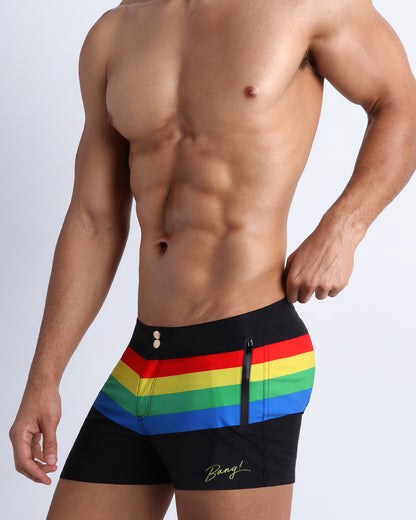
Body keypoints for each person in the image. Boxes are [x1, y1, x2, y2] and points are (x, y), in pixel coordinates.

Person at [9, 0, 416, 518]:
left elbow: (401, 102)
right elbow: (94, 220)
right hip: (142, 363)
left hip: (243, 359)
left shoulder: (304, 6)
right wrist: (43, 377)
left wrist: (344, 227)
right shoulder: (115, 31)